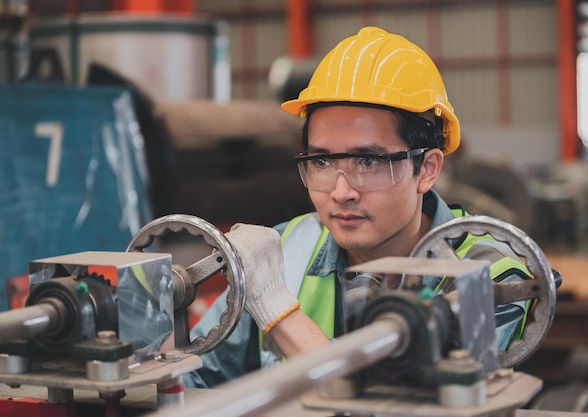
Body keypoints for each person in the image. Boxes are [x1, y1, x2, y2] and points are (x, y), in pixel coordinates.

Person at [179, 26, 529, 388]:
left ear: (426, 169)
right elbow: (196, 379)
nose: (341, 192)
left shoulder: (490, 275)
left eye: (368, 162)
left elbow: (411, 405)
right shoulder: (284, 251)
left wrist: (277, 312)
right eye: (323, 162)